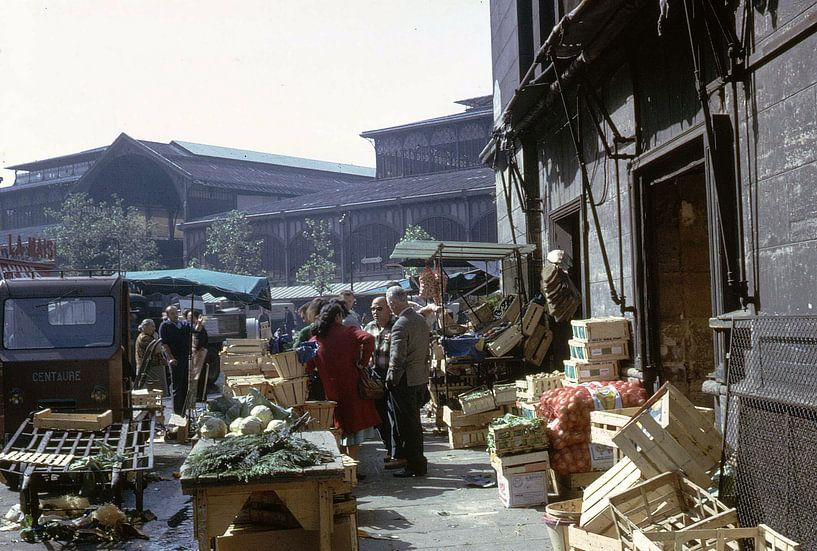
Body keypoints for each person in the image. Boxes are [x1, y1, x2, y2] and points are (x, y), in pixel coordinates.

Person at [306, 299, 380, 461]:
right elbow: (369, 338)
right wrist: (362, 363)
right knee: (353, 428)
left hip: (330, 390)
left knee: (338, 427)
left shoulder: (315, 340)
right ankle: (352, 465)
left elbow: (307, 366)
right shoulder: (349, 331)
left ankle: (341, 465)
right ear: (338, 316)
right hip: (352, 387)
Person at [386, 285, 431, 477]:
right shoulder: (420, 319)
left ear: (394, 303)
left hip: (406, 380)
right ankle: (416, 462)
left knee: (408, 425)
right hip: (419, 377)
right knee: (414, 423)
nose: (389, 308)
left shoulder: (401, 324)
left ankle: (415, 464)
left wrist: (390, 380)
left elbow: (397, 358)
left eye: (389, 304)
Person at [363, 296, 402, 468]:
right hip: (375, 375)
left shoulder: (396, 326)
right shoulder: (370, 327)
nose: (375, 312)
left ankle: (397, 452)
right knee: (378, 415)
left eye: (379, 309)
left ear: (388, 309)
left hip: (393, 375)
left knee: (393, 415)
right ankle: (388, 447)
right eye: (372, 309)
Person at [159, 305, 192, 415]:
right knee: (177, 386)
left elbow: (194, 330)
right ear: (168, 315)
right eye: (172, 313)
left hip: (184, 356)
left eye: (176, 312)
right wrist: (170, 358)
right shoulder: (165, 326)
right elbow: (164, 344)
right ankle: (177, 412)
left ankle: (184, 410)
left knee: (185, 384)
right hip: (175, 358)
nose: (175, 315)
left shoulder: (183, 324)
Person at [135, 319, 166, 393]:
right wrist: (156, 338)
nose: (154, 328)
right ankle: (155, 404)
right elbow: (157, 350)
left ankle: (158, 404)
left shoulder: (149, 336)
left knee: (158, 391)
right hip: (149, 368)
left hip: (154, 367)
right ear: (145, 327)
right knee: (153, 391)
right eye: (152, 326)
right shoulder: (144, 338)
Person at [187, 310, 209, 403]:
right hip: (195, 355)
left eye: (191, 317)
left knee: (201, 377)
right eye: (188, 317)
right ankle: (196, 396)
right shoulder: (192, 327)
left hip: (201, 356)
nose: (189, 319)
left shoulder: (200, 329)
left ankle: (202, 396)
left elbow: (199, 343)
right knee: (195, 376)